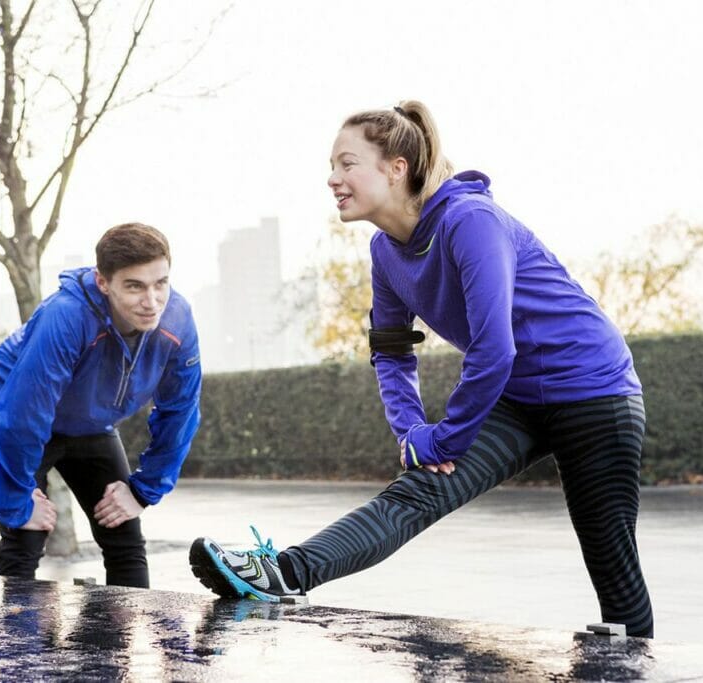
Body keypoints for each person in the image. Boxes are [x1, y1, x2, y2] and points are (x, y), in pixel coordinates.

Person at [189, 101, 654, 637]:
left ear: (396, 167)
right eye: (332, 167)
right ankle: (282, 572)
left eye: (346, 164)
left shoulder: (470, 221)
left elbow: (494, 348)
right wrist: (413, 434)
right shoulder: (386, 252)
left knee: (609, 554)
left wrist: (448, 437)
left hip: (594, 390)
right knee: (416, 491)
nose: (332, 178)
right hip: (519, 398)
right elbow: (391, 349)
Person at [0, 222, 201, 588]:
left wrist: (143, 490)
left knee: (123, 530)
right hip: (13, 414)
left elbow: (180, 410)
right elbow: (24, 413)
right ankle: (16, 643)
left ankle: (120, 645)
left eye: (161, 283)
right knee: (25, 533)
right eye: (134, 286)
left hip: (90, 425)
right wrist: (17, 500)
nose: (151, 301)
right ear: (104, 282)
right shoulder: (67, 316)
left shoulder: (178, 321)